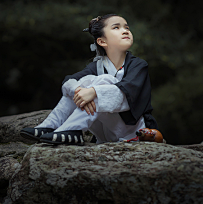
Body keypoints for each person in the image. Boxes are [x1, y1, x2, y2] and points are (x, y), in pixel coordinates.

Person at [20, 14, 158, 145]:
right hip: (106, 131)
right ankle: (51, 126)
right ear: (101, 41)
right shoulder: (98, 65)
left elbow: (126, 94)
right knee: (83, 82)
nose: (125, 31)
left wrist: (94, 92)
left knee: (102, 80)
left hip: (134, 129)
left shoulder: (139, 65)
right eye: (116, 27)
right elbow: (70, 81)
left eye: (126, 27)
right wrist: (80, 91)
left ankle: (73, 129)